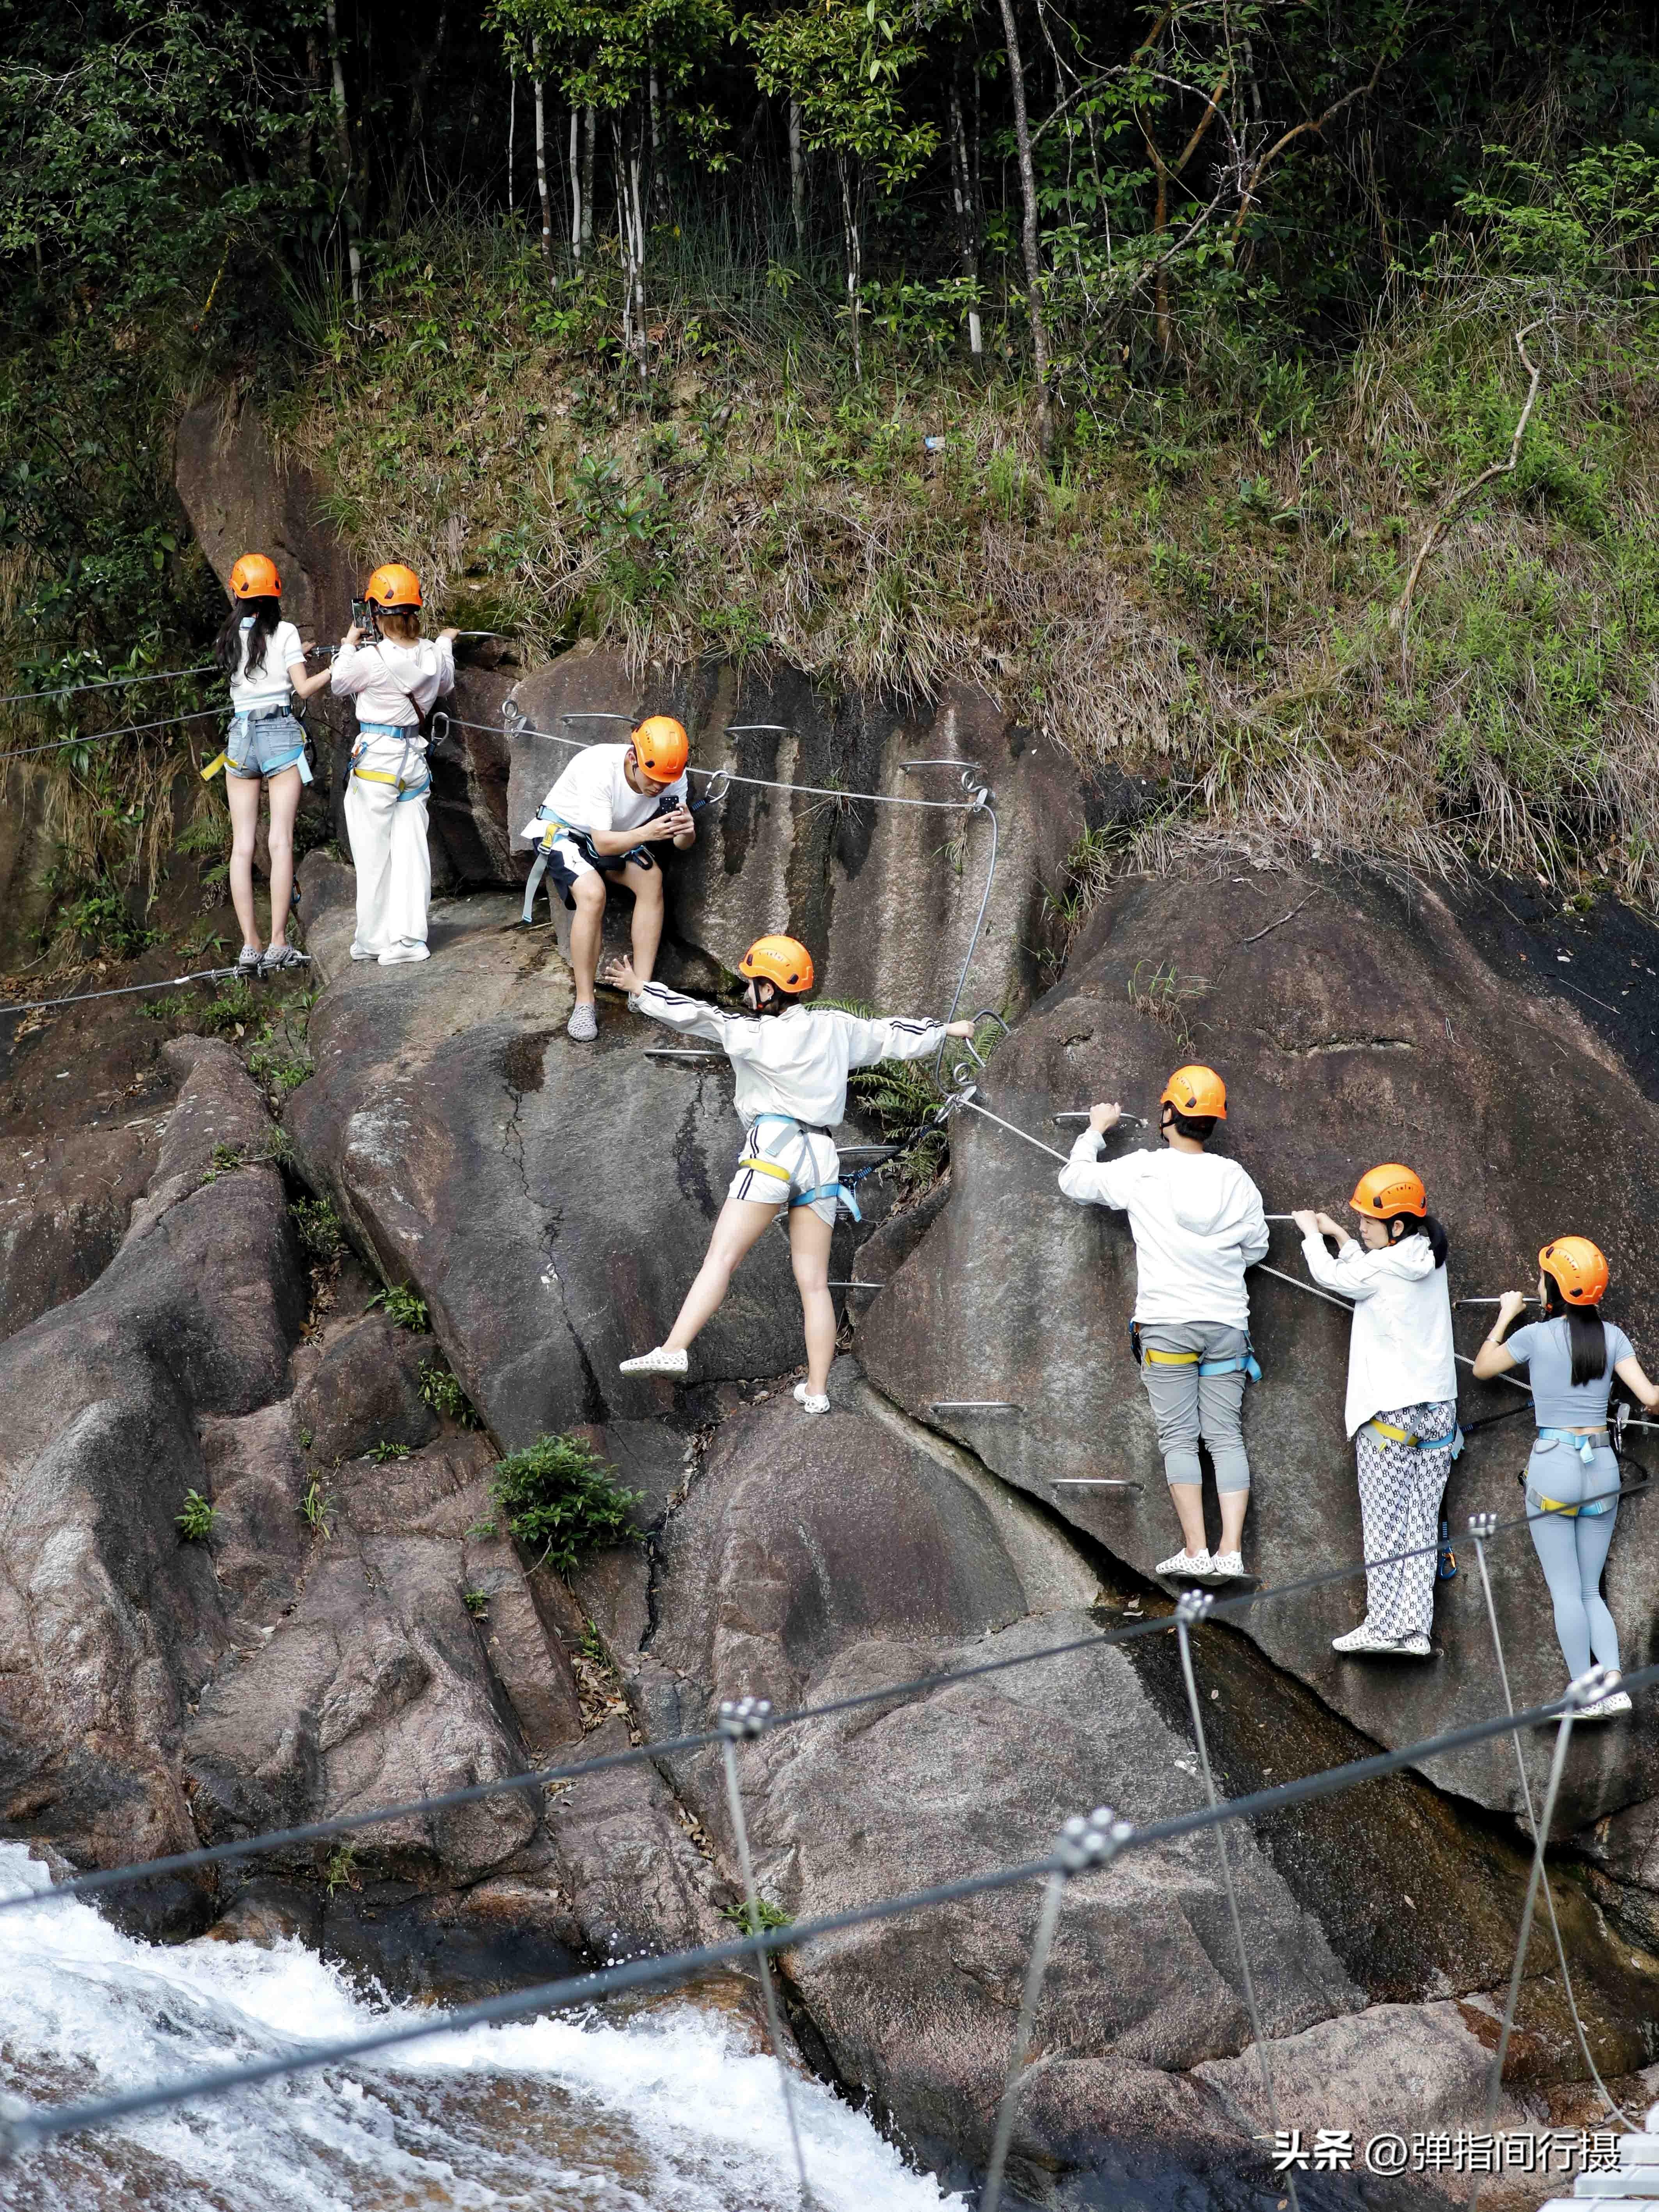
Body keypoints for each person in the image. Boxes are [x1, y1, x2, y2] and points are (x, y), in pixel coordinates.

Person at [613, 934, 975, 1411]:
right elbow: (890, 1034)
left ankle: (674, 1348)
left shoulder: (754, 1032)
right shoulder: (835, 1027)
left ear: (768, 988)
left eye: (752, 983)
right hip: (821, 1157)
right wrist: (947, 1030)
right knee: (814, 1282)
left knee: (721, 1259)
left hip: (773, 1150)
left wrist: (642, 988)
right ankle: (818, 1392)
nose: (746, 992)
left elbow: (695, 1014)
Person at [1059, 1065, 1268, 1581]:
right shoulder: (1235, 1177)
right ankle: (1232, 1552)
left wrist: (1094, 1131)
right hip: (1226, 1324)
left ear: (1171, 1112)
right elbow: (1257, 1246)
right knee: (1225, 1435)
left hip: (1167, 1324)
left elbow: (1075, 1180)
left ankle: (1197, 1551)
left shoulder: (1145, 1169)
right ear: (1213, 1121)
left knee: (1180, 1436)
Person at [1472, 1237, 1659, 1720]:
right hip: (1601, 1468)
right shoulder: (1613, 1336)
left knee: (1565, 1590)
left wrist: (1504, 1316)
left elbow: (1482, 1369)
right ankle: (1613, 1683)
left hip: (1554, 1466)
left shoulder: (1534, 1336)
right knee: (1588, 1588)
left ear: (1552, 1287)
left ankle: (1584, 1691)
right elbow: (1651, 1397)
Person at [1291, 1166, 1458, 1659]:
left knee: (1385, 1522)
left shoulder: (1380, 1268)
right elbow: (1369, 1271)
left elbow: (1335, 1277)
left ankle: (1382, 1624)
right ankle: (1414, 1629)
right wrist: (1341, 1235)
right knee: (1421, 1522)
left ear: (1398, 1226)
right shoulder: (1428, 1256)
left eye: (1369, 1219)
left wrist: (1309, 1235)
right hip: (1438, 1411)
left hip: (1390, 1412)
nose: (1361, 1223)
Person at [519, 716, 695, 1041]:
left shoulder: (675, 777)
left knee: (651, 879)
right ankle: (585, 1002)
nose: (659, 787)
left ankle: (641, 991)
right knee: (592, 893)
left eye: (666, 781)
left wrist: (688, 830)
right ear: (633, 757)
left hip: (618, 838)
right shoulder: (599, 766)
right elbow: (601, 842)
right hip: (566, 834)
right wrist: (647, 832)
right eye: (653, 778)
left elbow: (680, 844)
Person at [208, 553, 332, 977]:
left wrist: (296, 653)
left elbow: (256, 667)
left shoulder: (228, 635)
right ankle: (279, 941)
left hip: (240, 739)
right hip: (279, 735)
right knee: (279, 840)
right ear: (276, 590)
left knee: (242, 846)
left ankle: (250, 944)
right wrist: (339, 664)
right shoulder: (287, 632)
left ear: (239, 592)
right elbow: (303, 688)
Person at [330, 564, 457, 966]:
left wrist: (349, 642)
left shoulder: (371, 658)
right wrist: (447, 640)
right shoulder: (434, 656)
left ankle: (372, 939)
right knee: (412, 852)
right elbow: (447, 681)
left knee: (373, 856)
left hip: (376, 763)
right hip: (413, 764)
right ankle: (408, 940)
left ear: (375, 613)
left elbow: (337, 682)